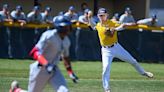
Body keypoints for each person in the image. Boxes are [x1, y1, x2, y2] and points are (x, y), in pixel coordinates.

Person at [88, 8, 154, 92]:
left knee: (133, 61)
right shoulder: (98, 25)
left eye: (103, 15)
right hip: (105, 51)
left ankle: (144, 73)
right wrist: (89, 18)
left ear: (107, 15)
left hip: (116, 47)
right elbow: (93, 26)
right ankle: (107, 89)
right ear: (98, 16)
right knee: (105, 68)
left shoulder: (112, 22)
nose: (102, 17)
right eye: (100, 15)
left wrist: (115, 29)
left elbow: (122, 26)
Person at [27, 15, 78, 92]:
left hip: (54, 70)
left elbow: (65, 57)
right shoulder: (49, 35)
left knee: (64, 91)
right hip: (40, 70)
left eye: (68, 26)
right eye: (65, 27)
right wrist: (46, 64)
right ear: (59, 27)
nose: (68, 29)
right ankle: (16, 90)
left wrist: (70, 72)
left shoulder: (67, 41)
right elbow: (34, 52)